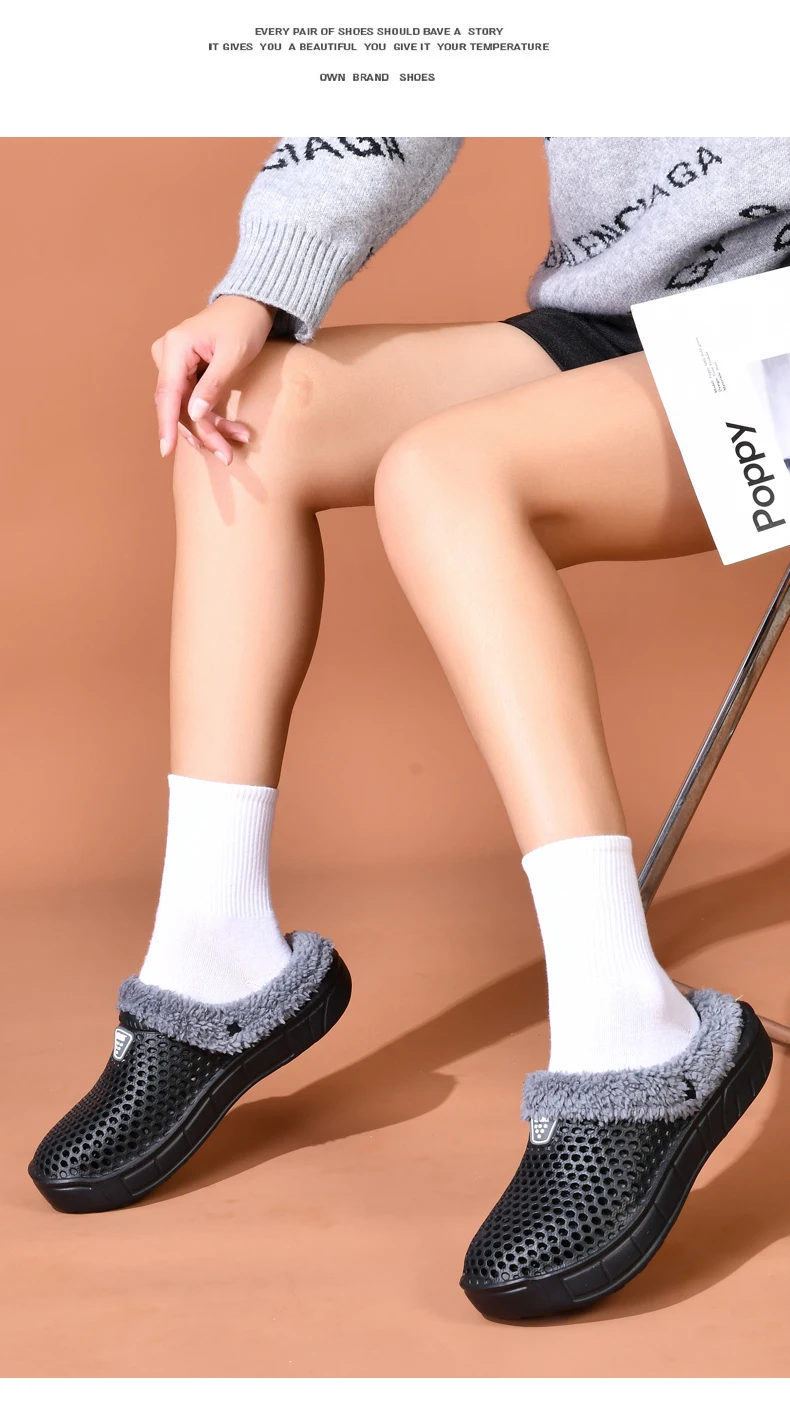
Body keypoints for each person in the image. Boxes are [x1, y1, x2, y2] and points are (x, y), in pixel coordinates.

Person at [29, 137, 781, 1318]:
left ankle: (627, 1029)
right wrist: (261, 281)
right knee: (247, 411)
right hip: (618, 321)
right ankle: (213, 951)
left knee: (445, 476)